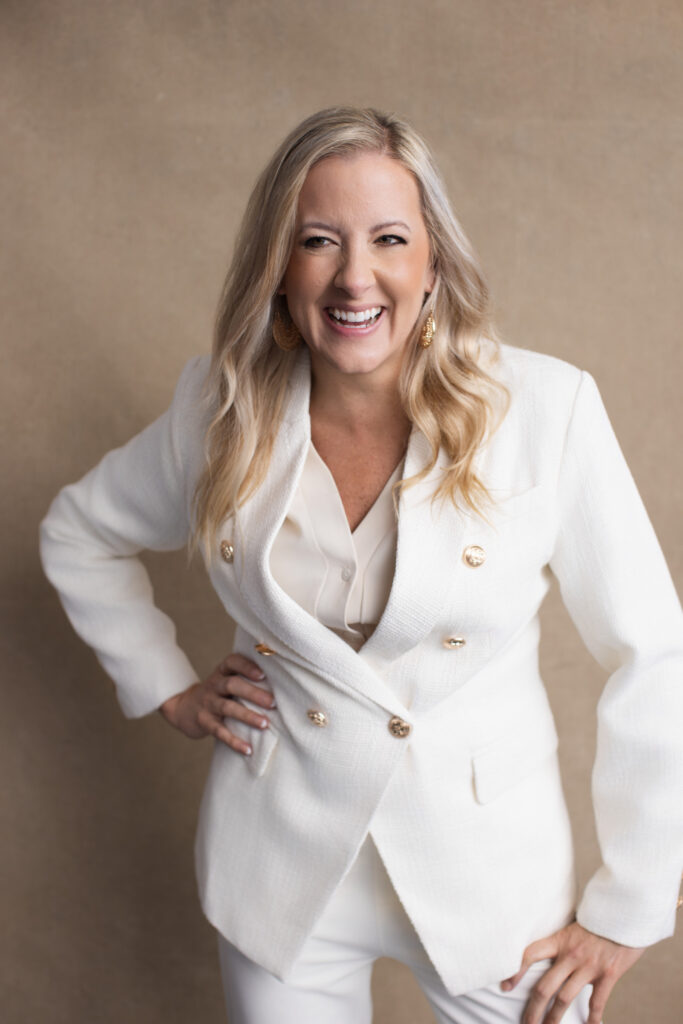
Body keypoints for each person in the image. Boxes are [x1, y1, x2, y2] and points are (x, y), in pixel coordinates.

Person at [39, 107, 683, 1024]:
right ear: (279, 267)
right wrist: (167, 687)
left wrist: (632, 903)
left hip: (492, 881)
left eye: (389, 238)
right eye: (317, 241)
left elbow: (653, 650)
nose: (354, 276)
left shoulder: (546, 410)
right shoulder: (219, 411)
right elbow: (77, 531)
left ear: (432, 264)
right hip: (280, 874)